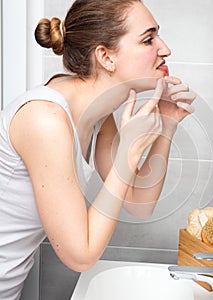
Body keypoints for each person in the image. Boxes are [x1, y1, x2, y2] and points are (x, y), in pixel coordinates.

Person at [0, 0, 195, 298]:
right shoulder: (45, 120)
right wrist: (128, 152)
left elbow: (139, 203)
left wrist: (167, 125)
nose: (164, 48)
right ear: (105, 57)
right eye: (148, 38)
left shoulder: (97, 114)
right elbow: (80, 255)